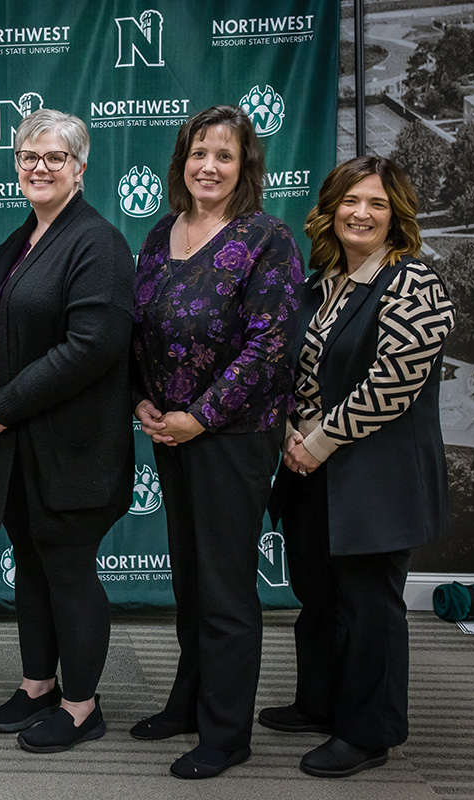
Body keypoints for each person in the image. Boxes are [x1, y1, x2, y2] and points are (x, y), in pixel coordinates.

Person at [260, 156, 454, 778]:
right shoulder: (322, 281)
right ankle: (319, 702)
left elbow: (392, 383)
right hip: (309, 470)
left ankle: (369, 732)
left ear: (397, 214)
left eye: (376, 203)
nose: (361, 213)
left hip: (374, 479)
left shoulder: (415, 282)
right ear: (331, 208)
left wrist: (319, 441)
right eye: (350, 201)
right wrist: (293, 431)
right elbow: (294, 368)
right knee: (317, 595)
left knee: (369, 606)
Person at [129, 105, 303, 778]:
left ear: (244, 167)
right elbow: (137, 332)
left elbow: (270, 348)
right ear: (182, 162)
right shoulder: (158, 234)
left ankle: (226, 733)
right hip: (168, 432)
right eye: (199, 153)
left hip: (232, 435)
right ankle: (190, 702)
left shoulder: (267, 239)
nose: (209, 165)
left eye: (224, 156)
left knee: (226, 587)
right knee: (191, 580)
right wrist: (143, 401)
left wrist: (199, 416)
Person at [0, 109, 134, 753]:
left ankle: (82, 704)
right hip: (19, 448)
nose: (39, 167)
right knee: (31, 566)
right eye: (28, 156)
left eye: (54, 158)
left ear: (81, 168)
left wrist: (5, 405)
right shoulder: (20, 239)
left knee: (68, 570)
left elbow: (93, 345)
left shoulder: (98, 244)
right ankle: (38, 685)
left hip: (73, 450)